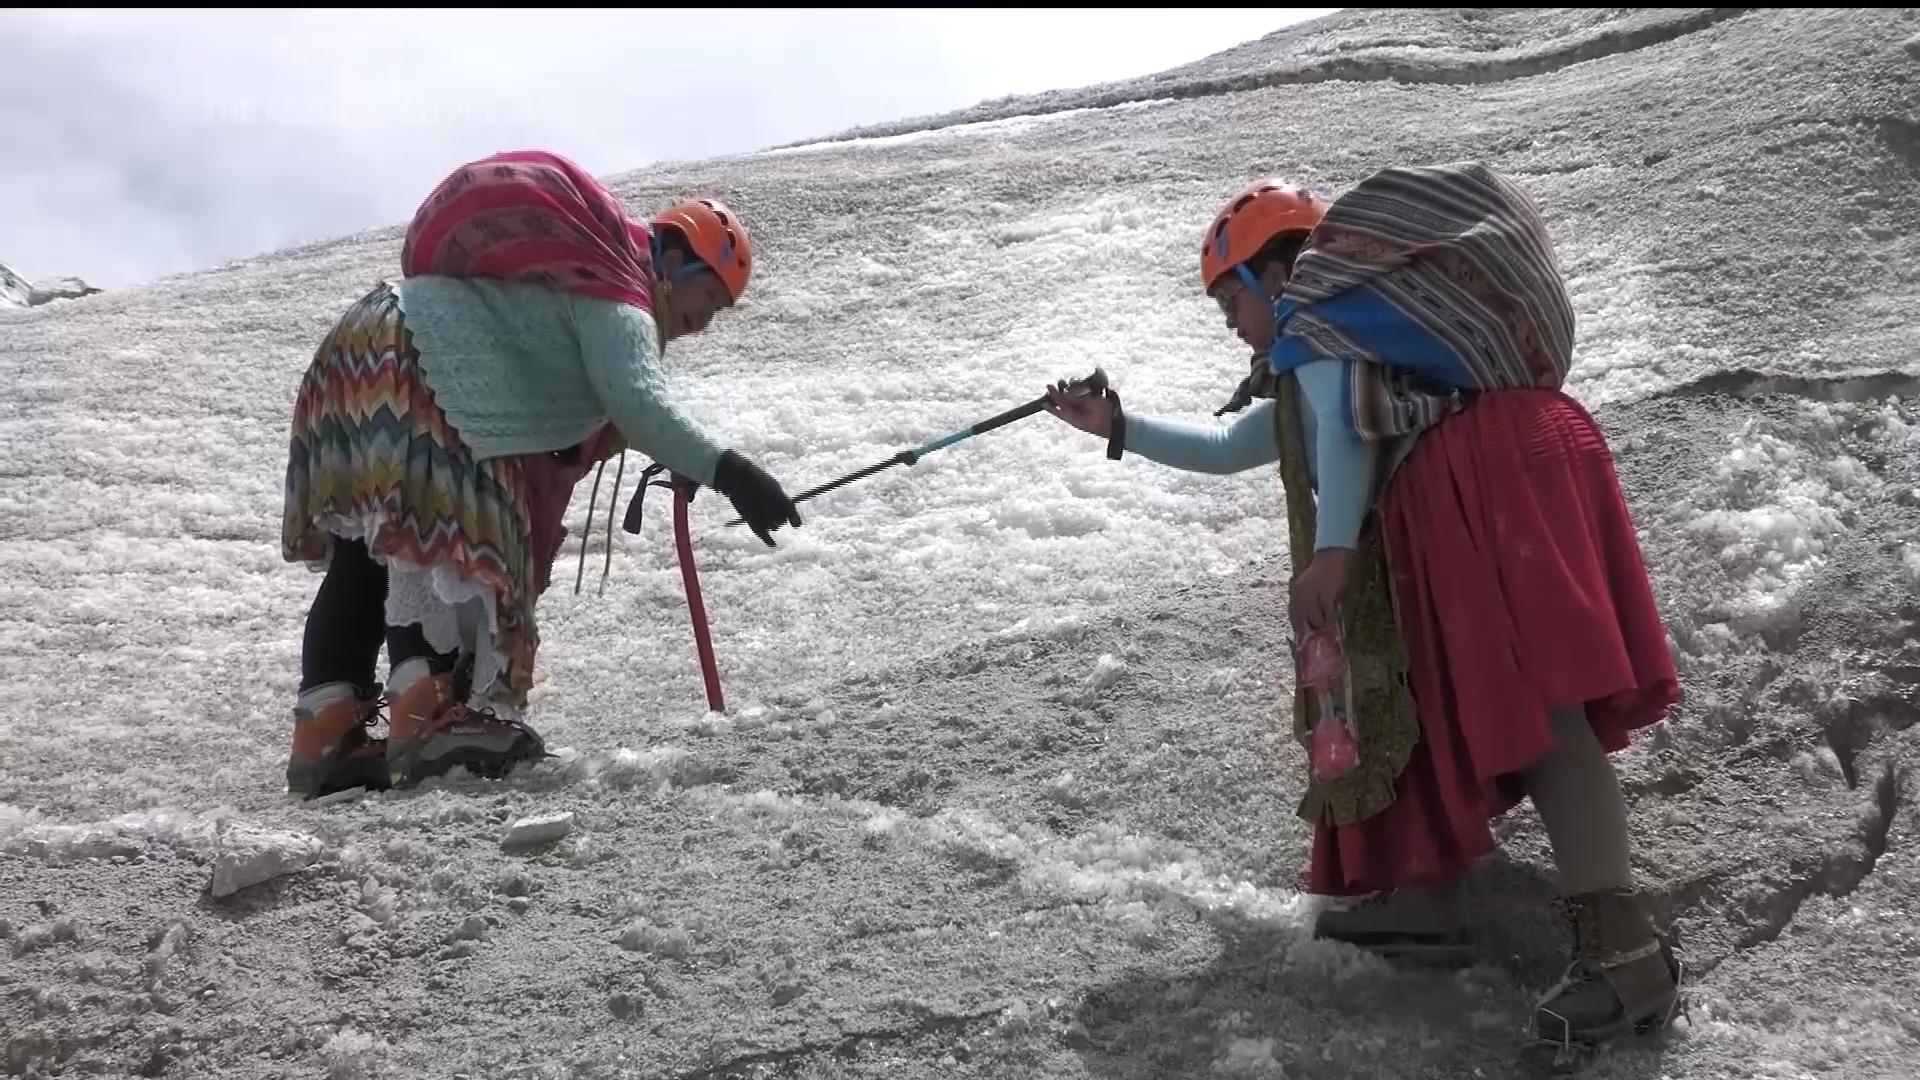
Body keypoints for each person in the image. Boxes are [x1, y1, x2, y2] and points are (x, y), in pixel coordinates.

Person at [1041, 164, 1683, 1048]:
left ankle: (1624, 955)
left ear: (1277, 274)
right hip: (1509, 466)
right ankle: (1429, 896)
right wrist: (1119, 427)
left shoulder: (1317, 325)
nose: (1238, 331)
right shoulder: (1365, 352)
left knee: (1542, 716)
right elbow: (1239, 444)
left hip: (1482, 483)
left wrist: (1335, 550)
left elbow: (1341, 424)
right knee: (1474, 707)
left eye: (1233, 307)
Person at [280, 149, 803, 802]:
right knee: (437, 543)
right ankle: (432, 718)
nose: (705, 321)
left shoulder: (567, 282)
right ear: (677, 258)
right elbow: (637, 401)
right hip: (419, 370)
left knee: (369, 553)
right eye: (709, 299)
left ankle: (327, 737)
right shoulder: (620, 291)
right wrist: (734, 473)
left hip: (355, 355)